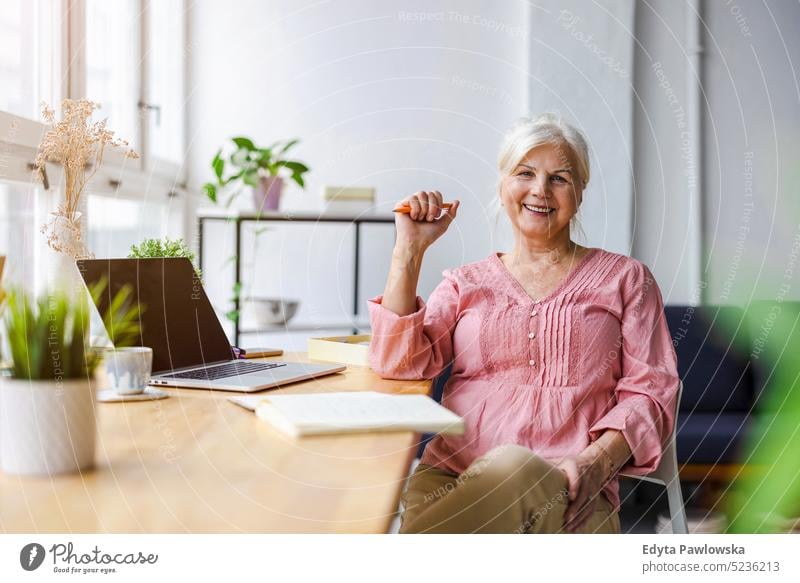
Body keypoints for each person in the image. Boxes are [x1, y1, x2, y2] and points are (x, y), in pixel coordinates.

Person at [367, 113, 680, 534]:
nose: (540, 190)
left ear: (580, 192)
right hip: (455, 485)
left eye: (560, 178)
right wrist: (408, 252)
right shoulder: (465, 284)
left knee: (514, 465)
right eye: (525, 173)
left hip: (573, 495)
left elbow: (652, 392)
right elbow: (397, 366)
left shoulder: (626, 280)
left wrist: (594, 463)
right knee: (506, 467)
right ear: (502, 186)